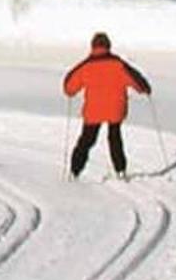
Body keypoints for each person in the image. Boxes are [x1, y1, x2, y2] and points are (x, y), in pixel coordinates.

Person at [63, 31, 152, 179]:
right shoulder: (118, 64)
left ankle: (75, 171)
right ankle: (120, 170)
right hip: (115, 109)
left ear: (93, 47)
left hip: (94, 111)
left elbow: (69, 87)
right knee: (115, 138)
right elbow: (137, 81)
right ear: (108, 46)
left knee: (86, 140)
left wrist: (70, 91)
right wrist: (145, 89)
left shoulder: (86, 65)